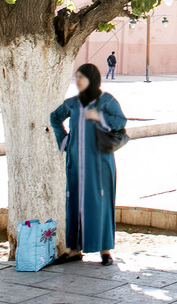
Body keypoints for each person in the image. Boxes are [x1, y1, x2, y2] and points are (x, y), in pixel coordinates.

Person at [49, 64, 126, 266]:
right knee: (74, 203)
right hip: (76, 163)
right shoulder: (73, 104)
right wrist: (65, 141)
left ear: (92, 79)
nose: (78, 81)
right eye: (77, 78)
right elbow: (54, 117)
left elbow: (120, 121)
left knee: (100, 203)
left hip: (100, 164)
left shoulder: (106, 101)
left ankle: (105, 251)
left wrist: (99, 116)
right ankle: (73, 250)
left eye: (82, 78)